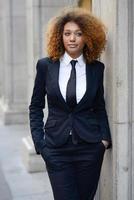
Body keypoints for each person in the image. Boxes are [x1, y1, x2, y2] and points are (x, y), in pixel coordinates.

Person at [29, 7, 112, 200]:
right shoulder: (45, 66)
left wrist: (104, 140)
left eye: (78, 34)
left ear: (88, 38)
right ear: (60, 36)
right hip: (56, 148)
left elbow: (99, 106)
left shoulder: (96, 68)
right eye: (67, 34)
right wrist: (40, 144)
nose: (72, 39)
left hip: (90, 149)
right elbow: (36, 106)